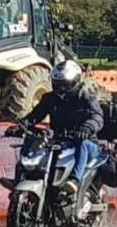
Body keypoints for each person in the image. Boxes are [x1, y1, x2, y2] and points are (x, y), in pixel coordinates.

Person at [10, 60, 104, 206]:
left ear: (75, 82)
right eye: (57, 83)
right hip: (61, 142)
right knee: (32, 142)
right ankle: (21, 178)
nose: (61, 87)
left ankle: (75, 181)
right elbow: (34, 116)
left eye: (65, 84)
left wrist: (87, 128)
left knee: (83, 144)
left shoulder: (84, 97)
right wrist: (21, 126)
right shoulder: (50, 98)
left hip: (86, 142)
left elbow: (97, 116)